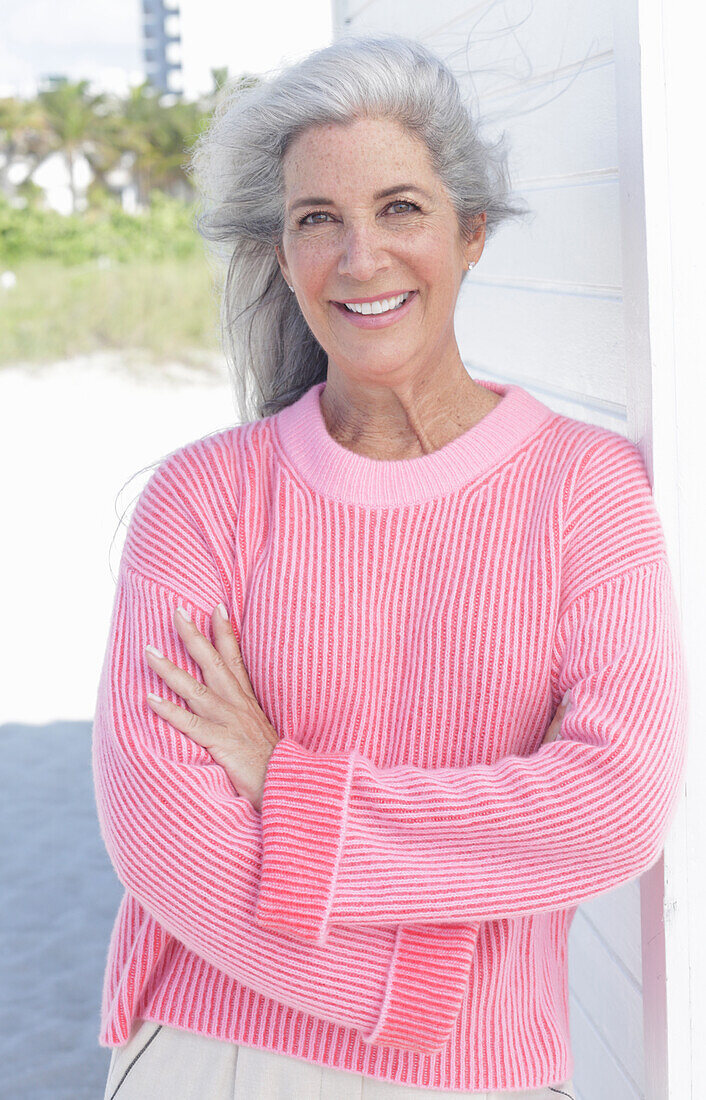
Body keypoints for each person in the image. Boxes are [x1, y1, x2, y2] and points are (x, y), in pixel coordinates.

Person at [93, 33, 688, 1100]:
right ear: (284, 254)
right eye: (318, 219)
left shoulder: (582, 491)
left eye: (399, 208)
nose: (359, 256)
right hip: (220, 1052)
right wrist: (409, 983)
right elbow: (164, 837)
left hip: (485, 1077)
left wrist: (289, 784)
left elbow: (609, 808)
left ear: (470, 233)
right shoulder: (203, 499)